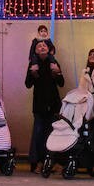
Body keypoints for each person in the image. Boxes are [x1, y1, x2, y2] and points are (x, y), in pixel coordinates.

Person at [24, 40, 63, 173]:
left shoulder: (54, 62)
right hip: (39, 105)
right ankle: (38, 163)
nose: (41, 47)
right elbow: (28, 84)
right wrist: (33, 74)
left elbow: (61, 83)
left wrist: (57, 73)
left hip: (53, 104)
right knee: (39, 134)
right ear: (35, 51)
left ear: (49, 49)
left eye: (44, 46)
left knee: (53, 134)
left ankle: (53, 162)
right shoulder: (33, 64)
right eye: (39, 46)